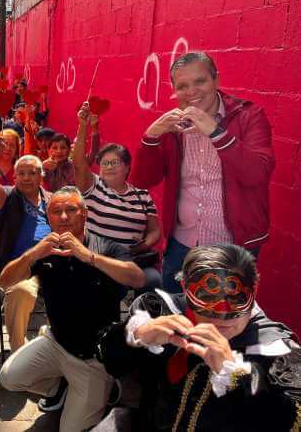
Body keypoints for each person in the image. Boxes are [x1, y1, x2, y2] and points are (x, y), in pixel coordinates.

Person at [95, 243, 301, 431]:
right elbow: (109, 360)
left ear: (254, 291)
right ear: (185, 288)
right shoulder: (159, 310)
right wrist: (136, 336)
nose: (221, 315)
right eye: (206, 296)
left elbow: (294, 422)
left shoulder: (278, 351)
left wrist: (241, 378)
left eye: (236, 297)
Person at [0, 187, 145, 431]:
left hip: (93, 359)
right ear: (47, 216)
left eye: (71, 210)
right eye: (56, 211)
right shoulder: (45, 249)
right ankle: (59, 388)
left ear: (84, 214)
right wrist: (33, 254)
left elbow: (137, 279)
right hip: (55, 342)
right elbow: (4, 281)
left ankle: (105, 387)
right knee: (8, 378)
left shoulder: (105, 246)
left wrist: (89, 257)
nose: (64, 217)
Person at [130, 52, 274, 293]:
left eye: (200, 81)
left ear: (216, 80)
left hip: (232, 248)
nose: (192, 91)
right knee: (176, 316)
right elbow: (143, 179)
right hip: (181, 245)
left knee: (224, 324)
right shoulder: (175, 126)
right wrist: (151, 137)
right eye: (182, 86)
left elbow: (257, 174)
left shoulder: (249, 116)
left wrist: (214, 131)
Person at [73, 107, 162, 290]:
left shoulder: (142, 195)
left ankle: (140, 318)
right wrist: (83, 126)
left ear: (127, 167)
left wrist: (144, 245)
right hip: (97, 259)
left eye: (115, 162)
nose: (108, 167)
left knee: (153, 280)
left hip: (131, 260)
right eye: (104, 163)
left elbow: (155, 231)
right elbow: (79, 163)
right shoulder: (93, 187)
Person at [0, 150, 51, 353]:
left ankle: (58, 347)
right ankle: (19, 354)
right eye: (21, 174)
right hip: (18, 268)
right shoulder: (7, 196)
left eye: (31, 173)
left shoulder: (51, 200)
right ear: (14, 178)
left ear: (41, 176)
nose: (26, 178)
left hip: (51, 265)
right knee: (21, 291)